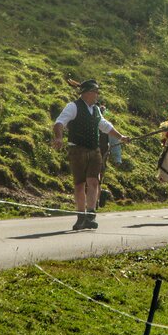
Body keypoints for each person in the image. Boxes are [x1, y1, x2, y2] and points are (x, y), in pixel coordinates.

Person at [52, 79, 129, 230]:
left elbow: (105, 125)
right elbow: (59, 123)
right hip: (77, 150)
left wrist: (121, 137)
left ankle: (91, 216)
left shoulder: (96, 110)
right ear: (87, 93)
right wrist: (59, 137)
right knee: (80, 184)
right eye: (95, 92)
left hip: (95, 151)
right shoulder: (73, 106)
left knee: (94, 182)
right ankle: (81, 217)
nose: (97, 95)